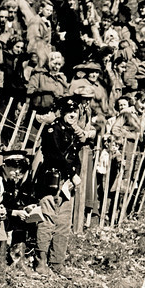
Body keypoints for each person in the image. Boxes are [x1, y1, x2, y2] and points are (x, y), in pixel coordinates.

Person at [32, 96, 88, 275]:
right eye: (69, 111)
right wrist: (72, 173)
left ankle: (57, 263)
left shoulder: (72, 132)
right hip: (51, 180)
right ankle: (41, 261)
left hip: (67, 183)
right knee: (47, 220)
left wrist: (74, 176)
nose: (72, 115)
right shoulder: (52, 129)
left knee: (63, 223)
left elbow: (75, 157)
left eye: (75, 112)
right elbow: (55, 154)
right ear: (62, 112)